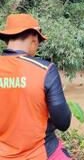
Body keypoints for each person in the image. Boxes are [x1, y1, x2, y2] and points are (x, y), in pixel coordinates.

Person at [0, 14, 72, 160]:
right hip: (40, 153)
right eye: (38, 42)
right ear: (34, 37)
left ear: (7, 39)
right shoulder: (45, 70)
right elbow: (63, 122)